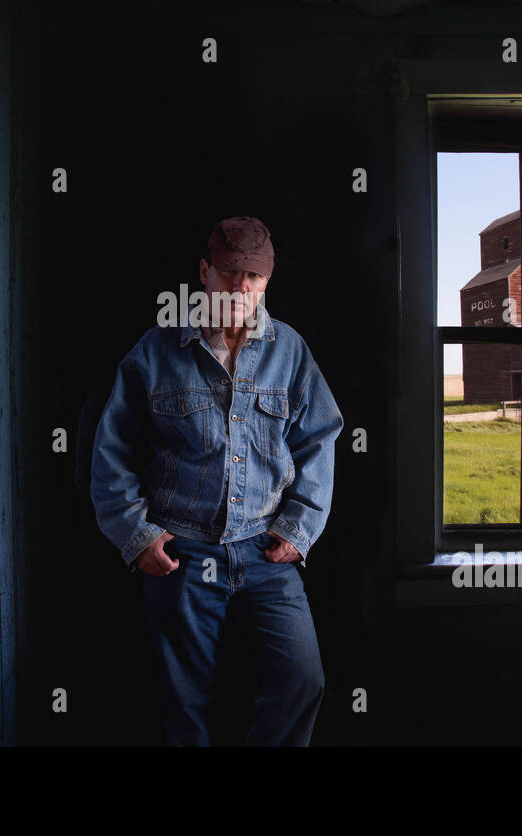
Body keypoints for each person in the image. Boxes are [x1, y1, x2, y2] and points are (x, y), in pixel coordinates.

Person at [90, 215, 344, 746]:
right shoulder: (156, 349)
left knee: (302, 680)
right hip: (181, 552)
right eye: (229, 273)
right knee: (184, 705)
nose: (240, 287)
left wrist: (298, 529)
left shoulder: (290, 351)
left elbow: (320, 437)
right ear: (204, 272)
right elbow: (111, 449)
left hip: (263, 552)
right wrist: (137, 536)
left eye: (253, 276)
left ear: (267, 281)